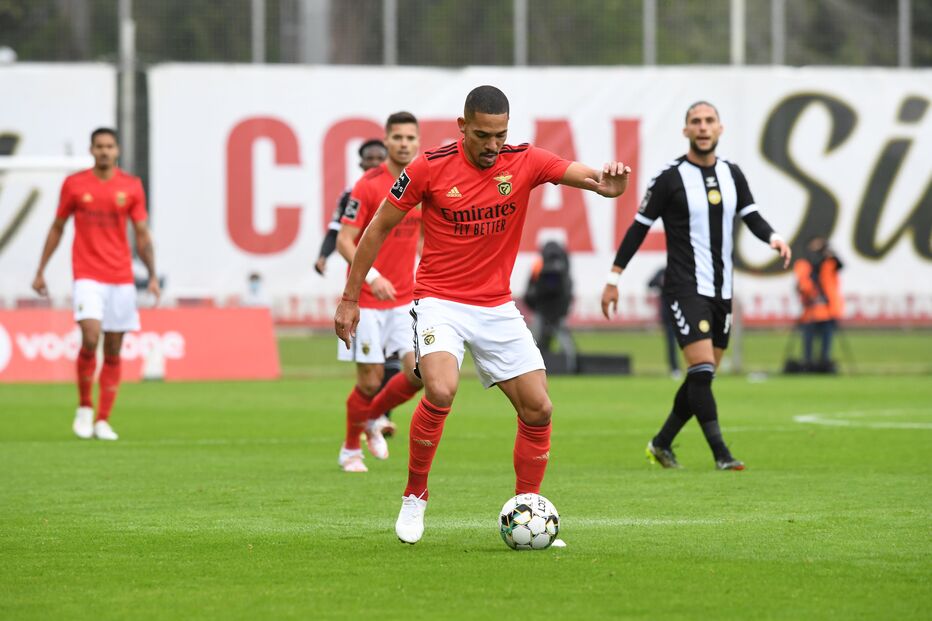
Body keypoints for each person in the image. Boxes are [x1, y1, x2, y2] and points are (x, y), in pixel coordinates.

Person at [334, 85, 630, 544]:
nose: (493, 145)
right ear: (462, 126)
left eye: (500, 134)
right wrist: (351, 297)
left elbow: (591, 178)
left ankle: (527, 507)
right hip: (439, 301)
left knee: (539, 407)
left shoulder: (525, 159)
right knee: (441, 387)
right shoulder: (428, 167)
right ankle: (415, 497)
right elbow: (376, 230)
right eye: (483, 135)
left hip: (495, 306)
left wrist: (608, 184)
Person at [602, 101, 791, 471]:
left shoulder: (732, 174)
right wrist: (614, 278)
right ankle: (721, 454)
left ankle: (661, 444)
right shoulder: (670, 178)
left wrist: (773, 237)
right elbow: (639, 227)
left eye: (709, 121)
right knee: (702, 371)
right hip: (684, 288)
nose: (703, 127)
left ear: (720, 129)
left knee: (700, 379)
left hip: (722, 291)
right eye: (695, 122)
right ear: (686, 131)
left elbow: (750, 214)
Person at [32, 127, 160, 441]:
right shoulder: (75, 184)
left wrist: (153, 274)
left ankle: (103, 419)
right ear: (91, 150)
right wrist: (41, 270)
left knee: (114, 348)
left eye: (109, 146)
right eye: (99, 146)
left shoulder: (131, 186)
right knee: (91, 337)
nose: (104, 151)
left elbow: (142, 234)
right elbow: (58, 226)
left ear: (117, 151)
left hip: (121, 277)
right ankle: (85, 407)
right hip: (87, 274)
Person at [334, 112, 424, 473]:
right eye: (397, 137)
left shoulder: (423, 181)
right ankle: (349, 449)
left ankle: (371, 418)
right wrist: (372, 277)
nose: (404, 143)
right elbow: (343, 240)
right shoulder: (368, 185)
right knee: (369, 381)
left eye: (410, 138)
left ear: (418, 142)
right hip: (369, 301)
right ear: (386, 141)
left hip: (406, 301)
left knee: (419, 373)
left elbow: (424, 238)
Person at [314, 139, 388, 276]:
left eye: (380, 158)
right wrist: (323, 255)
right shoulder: (351, 195)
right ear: (361, 163)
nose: (375, 163)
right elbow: (336, 230)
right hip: (365, 273)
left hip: (400, 272)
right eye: (370, 158)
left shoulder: (402, 191)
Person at [524, 240, 577, 372]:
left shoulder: (539, 267)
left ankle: (532, 368)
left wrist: (535, 305)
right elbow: (566, 293)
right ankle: (571, 367)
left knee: (535, 341)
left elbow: (531, 291)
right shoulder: (563, 269)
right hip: (553, 311)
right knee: (564, 341)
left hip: (542, 310)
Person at [794, 236, 843, 372]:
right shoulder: (804, 264)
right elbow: (803, 283)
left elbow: (840, 264)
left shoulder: (829, 263)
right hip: (811, 310)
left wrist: (827, 251)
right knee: (808, 340)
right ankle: (808, 364)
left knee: (826, 341)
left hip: (827, 310)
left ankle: (824, 364)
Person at [648, 267, 681, 379]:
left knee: (690, 343)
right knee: (671, 343)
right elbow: (650, 284)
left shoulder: (682, 271)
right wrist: (659, 281)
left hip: (685, 313)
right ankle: (674, 369)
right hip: (668, 315)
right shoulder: (662, 272)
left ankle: (696, 367)